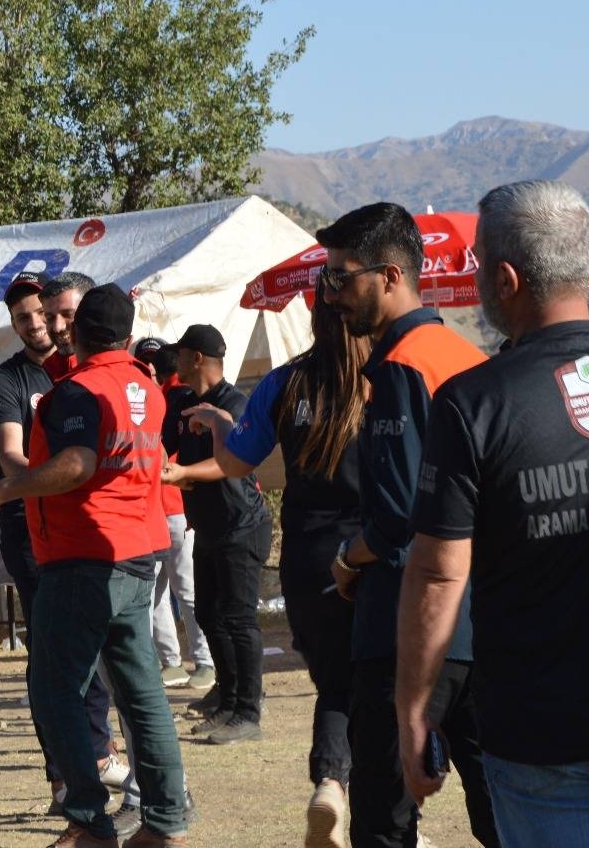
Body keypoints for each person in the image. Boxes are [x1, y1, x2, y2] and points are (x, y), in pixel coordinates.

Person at [398, 181, 589, 847]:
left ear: (506, 279)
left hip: (538, 735)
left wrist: (414, 709)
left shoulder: (471, 403)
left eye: (481, 265)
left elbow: (437, 574)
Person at [0, 284, 189, 848]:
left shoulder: (78, 390)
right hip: (136, 554)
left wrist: (5, 489)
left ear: (77, 329)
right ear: (127, 333)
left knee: (55, 692)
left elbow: (76, 463)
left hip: (82, 557)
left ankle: (89, 823)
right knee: (142, 694)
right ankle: (166, 820)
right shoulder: (147, 387)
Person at [316, 201, 498, 848]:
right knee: (503, 811)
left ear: (390, 276)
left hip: (407, 626)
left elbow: (398, 520)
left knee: (384, 820)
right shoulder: (466, 355)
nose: (331, 295)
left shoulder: (400, 368)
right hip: (482, 621)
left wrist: (347, 558)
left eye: (341, 277)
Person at [181, 298, 369, 847]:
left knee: (336, 682)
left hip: (308, 555)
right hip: (373, 548)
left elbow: (236, 463)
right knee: (382, 685)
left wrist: (222, 424)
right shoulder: (386, 375)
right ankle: (391, 816)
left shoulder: (284, 382)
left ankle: (330, 783)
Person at [0, 272, 130, 813]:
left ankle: (101, 754)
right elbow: (11, 458)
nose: (38, 324)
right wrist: (63, 478)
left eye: (43, 314)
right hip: (32, 530)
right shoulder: (8, 381)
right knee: (52, 652)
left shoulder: (86, 368)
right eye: (23, 318)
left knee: (97, 648)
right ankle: (67, 776)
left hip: (92, 529)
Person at [160, 324, 271, 745]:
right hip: (207, 527)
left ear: (197, 358)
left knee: (238, 619)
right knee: (208, 613)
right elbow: (161, 443)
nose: (175, 361)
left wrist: (183, 473)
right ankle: (227, 698)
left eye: (180, 354)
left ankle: (248, 712)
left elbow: (230, 464)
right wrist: (167, 466)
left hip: (242, 526)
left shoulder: (234, 405)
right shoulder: (183, 402)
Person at [134, 337, 214, 692]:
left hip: (178, 509)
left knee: (187, 588)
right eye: (146, 363)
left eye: (159, 362)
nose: (153, 369)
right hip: (149, 511)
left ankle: (206, 661)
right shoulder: (139, 399)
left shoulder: (183, 398)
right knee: (153, 592)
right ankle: (171, 661)